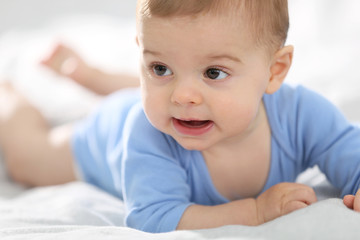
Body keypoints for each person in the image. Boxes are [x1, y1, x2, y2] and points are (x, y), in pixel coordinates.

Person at [0, 0, 360, 233]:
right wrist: (254, 213)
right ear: (141, 53)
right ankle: (10, 97)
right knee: (30, 158)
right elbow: (154, 216)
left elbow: (345, 146)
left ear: (274, 71)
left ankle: (94, 76)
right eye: (157, 66)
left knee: (172, 89)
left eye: (214, 73)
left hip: (143, 103)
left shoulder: (300, 114)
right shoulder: (148, 132)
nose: (184, 94)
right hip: (104, 136)